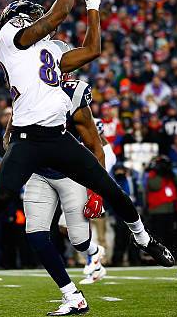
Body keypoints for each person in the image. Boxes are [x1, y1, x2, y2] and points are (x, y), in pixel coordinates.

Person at [0, 0, 173, 317]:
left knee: (111, 188)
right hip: (26, 141)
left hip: (58, 138)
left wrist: (94, 9)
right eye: (29, 17)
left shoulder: (50, 51)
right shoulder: (9, 40)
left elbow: (92, 50)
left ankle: (144, 239)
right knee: (1, 195)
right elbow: (52, 19)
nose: (36, 23)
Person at [24, 74, 113, 286]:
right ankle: (92, 259)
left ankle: (93, 258)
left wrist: (96, 192)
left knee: (78, 237)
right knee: (45, 232)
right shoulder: (34, 91)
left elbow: (97, 155)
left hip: (76, 178)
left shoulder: (75, 97)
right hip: (47, 173)